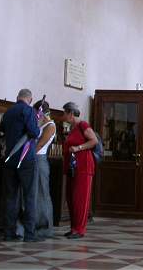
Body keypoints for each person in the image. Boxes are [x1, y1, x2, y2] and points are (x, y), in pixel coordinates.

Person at [1, 89, 41, 242]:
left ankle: (9, 233)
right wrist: (37, 122)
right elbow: (34, 132)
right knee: (30, 195)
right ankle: (30, 234)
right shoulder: (28, 110)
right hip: (25, 159)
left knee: (11, 196)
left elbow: (3, 129)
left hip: (10, 158)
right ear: (30, 99)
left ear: (17, 97)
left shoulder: (9, 111)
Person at [62, 101, 98, 239]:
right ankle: (73, 228)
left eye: (65, 113)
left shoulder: (83, 125)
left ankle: (80, 229)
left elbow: (94, 140)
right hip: (73, 167)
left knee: (80, 199)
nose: (63, 116)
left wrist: (78, 148)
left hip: (83, 166)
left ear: (71, 113)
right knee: (71, 198)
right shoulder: (72, 127)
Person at [33, 99, 56, 238]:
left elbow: (40, 144)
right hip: (35, 160)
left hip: (40, 160)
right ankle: (35, 225)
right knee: (36, 194)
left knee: (43, 193)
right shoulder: (41, 123)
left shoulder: (50, 126)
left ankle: (45, 228)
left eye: (37, 112)